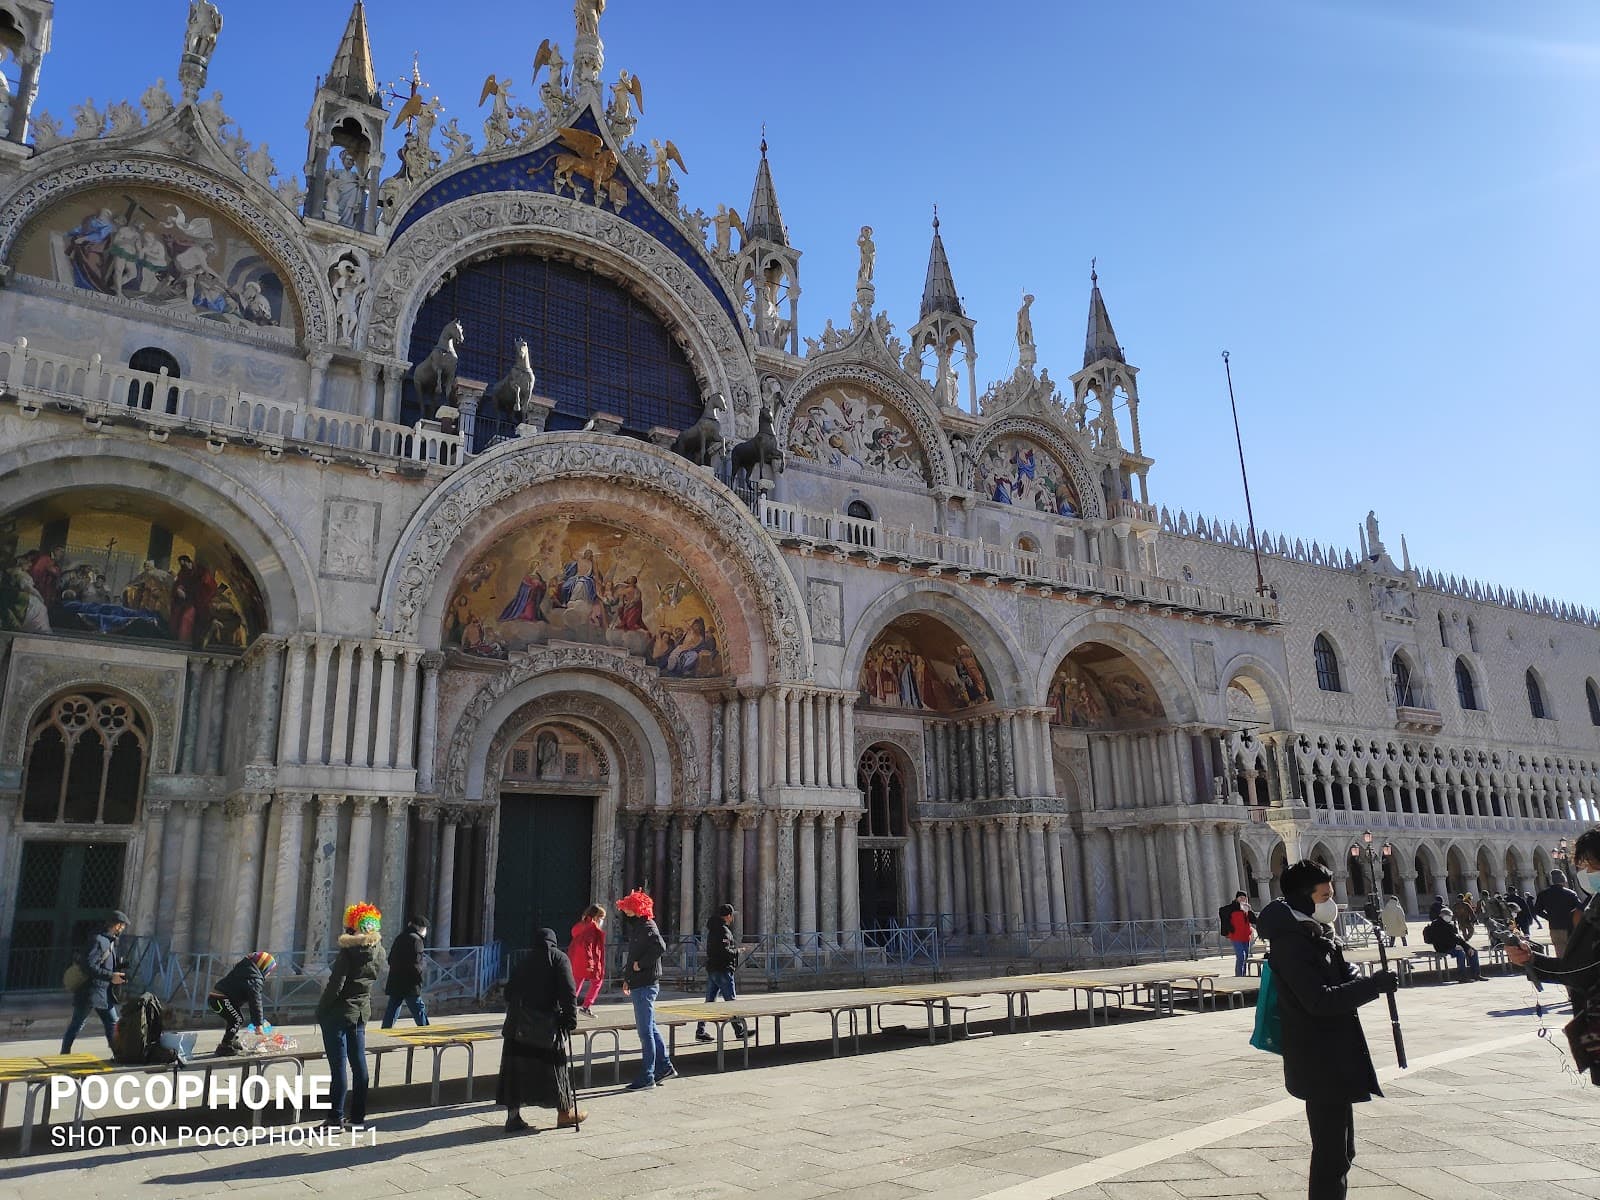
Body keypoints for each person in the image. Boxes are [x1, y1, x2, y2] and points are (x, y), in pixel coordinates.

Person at [1258, 859, 1398, 1200]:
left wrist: (1352, 976)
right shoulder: (1291, 943)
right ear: (1304, 898)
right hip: (1317, 1059)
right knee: (1331, 1155)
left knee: (1342, 1151)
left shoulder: (1314, 933)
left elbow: (1333, 978)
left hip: (1332, 1055)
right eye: (1325, 896)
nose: (1331, 903)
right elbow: (1318, 1001)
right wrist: (1372, 986)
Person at [499, 927, 585, 1133]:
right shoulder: (558, 958)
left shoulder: (524, 960)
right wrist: (570, 1020)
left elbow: (508, 993)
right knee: (556, 1068)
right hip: (546, 1026)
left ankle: (513, 1117)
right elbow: (569, 992)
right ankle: (565, 1113)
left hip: (517, 1027)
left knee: (516, 1072)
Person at [316, 902, 383, 1129]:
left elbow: (336, 983)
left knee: (338, 1067)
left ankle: (335, 1117)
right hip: (361, 1012)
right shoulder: (379, 951)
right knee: (359, 1064)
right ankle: (358, 1117)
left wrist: (322, 1009)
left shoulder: (348, 952)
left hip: (338, 1013)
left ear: (354, 926)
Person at [616, 888, 674, 1090]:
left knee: (645, 1032)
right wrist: (628, 979)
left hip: (645, 984)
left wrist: (641, 965)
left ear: (637, 908)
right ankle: (664, 1066)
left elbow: (660, 947)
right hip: (639, 983)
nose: (625, 911)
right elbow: (635, 954)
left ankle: (647, 1076)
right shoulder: (639, 926)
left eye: (628, 907)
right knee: (650, 1027)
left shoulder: (648, 926)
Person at [62, 910, 128, 1054]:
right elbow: (88, 966)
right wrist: (111, 976)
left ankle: (117, 1053)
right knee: (78, 1024)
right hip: (90, 992)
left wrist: (120, 968)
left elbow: (104, 963)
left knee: (112, 1022)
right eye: (123, 925)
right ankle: (64, 1053)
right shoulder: (98, 940)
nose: (123, 929)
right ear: (117, 925)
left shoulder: (110, 941)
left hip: (103, 992)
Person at [696, 904, 748, 1042]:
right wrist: (738, 951)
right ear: (728, 916)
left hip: (713, 969)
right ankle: (740, 1031)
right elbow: (725, 951)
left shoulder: (713, 929)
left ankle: (700, 1031)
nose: (732, 918)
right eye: (732, 916)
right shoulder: (723, 931)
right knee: (731, 1001)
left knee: (709, 1002)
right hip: (723, 970)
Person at [207, 951, 276, 1055]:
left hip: (217, 997)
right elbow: (255, 1002)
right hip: (220, 998)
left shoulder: (244, 970)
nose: (269, 974)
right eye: (269, 971)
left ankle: (231, 1041)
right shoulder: (254, 979)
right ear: (263, 967)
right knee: (237, 1019)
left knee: (235, 1018)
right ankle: (225, 1046)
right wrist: (258, 1024)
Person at [381, 915, 430, 1029]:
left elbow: (390, 959)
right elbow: (416, 964)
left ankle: (385, 1031)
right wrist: (420, 977)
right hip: (410, 982)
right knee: (418, 1008)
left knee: (392, 1008)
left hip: (396, 980)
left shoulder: (400, 937)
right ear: (420, 928)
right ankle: (426, 1032)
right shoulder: (417, 940)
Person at [1422, 909, 1484, 983]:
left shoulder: (1450, 924)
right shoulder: (1436, 925)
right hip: (1442, 947)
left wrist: (1468, 947)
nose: (1450, 917)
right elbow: (1440, 940)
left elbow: (1458, 938)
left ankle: (1476, 974)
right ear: (1442, 915)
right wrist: (1454, 946)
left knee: (1473, 951)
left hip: (1453, 945)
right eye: (1448, 916)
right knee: (1460, 953)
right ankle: (1462, 976)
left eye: (1450, 916)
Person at [569, 905, 607, 1017]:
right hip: (590, 959)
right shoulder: (591, 928)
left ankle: (568, 1006)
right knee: (597, 981)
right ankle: (586, 1006)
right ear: (596, 917)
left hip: (577, 959)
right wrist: (590, 962)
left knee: (576, 983)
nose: (602, 920)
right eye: (601, 917)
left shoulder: (582, 925)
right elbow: (588, 945)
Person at [1536, 870, 1583, 958]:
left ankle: (1563, 965)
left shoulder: (1543, 894)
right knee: (1573, 952)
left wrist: (1549, 917)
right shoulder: (1570, 893)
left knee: (1560, 952)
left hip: (1554, 927)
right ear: (1564, 881)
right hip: (1569, 927)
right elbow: (1580, 908)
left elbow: (1537, 910)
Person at [1220, 891, 1256, 977]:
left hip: (1245, 936)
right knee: (1241, 956)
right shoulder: (1231, 908)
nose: (1242, 899)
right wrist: (1229, 928)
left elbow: (1254, 920)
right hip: (1236, 936)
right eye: (1241, 897)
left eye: (1244, 898)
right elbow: (1222, 912)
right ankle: (1239, 975)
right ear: (1237, 898)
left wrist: (1250, 911)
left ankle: (1243, 975)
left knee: (1245, 957)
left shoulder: (1246, 908)